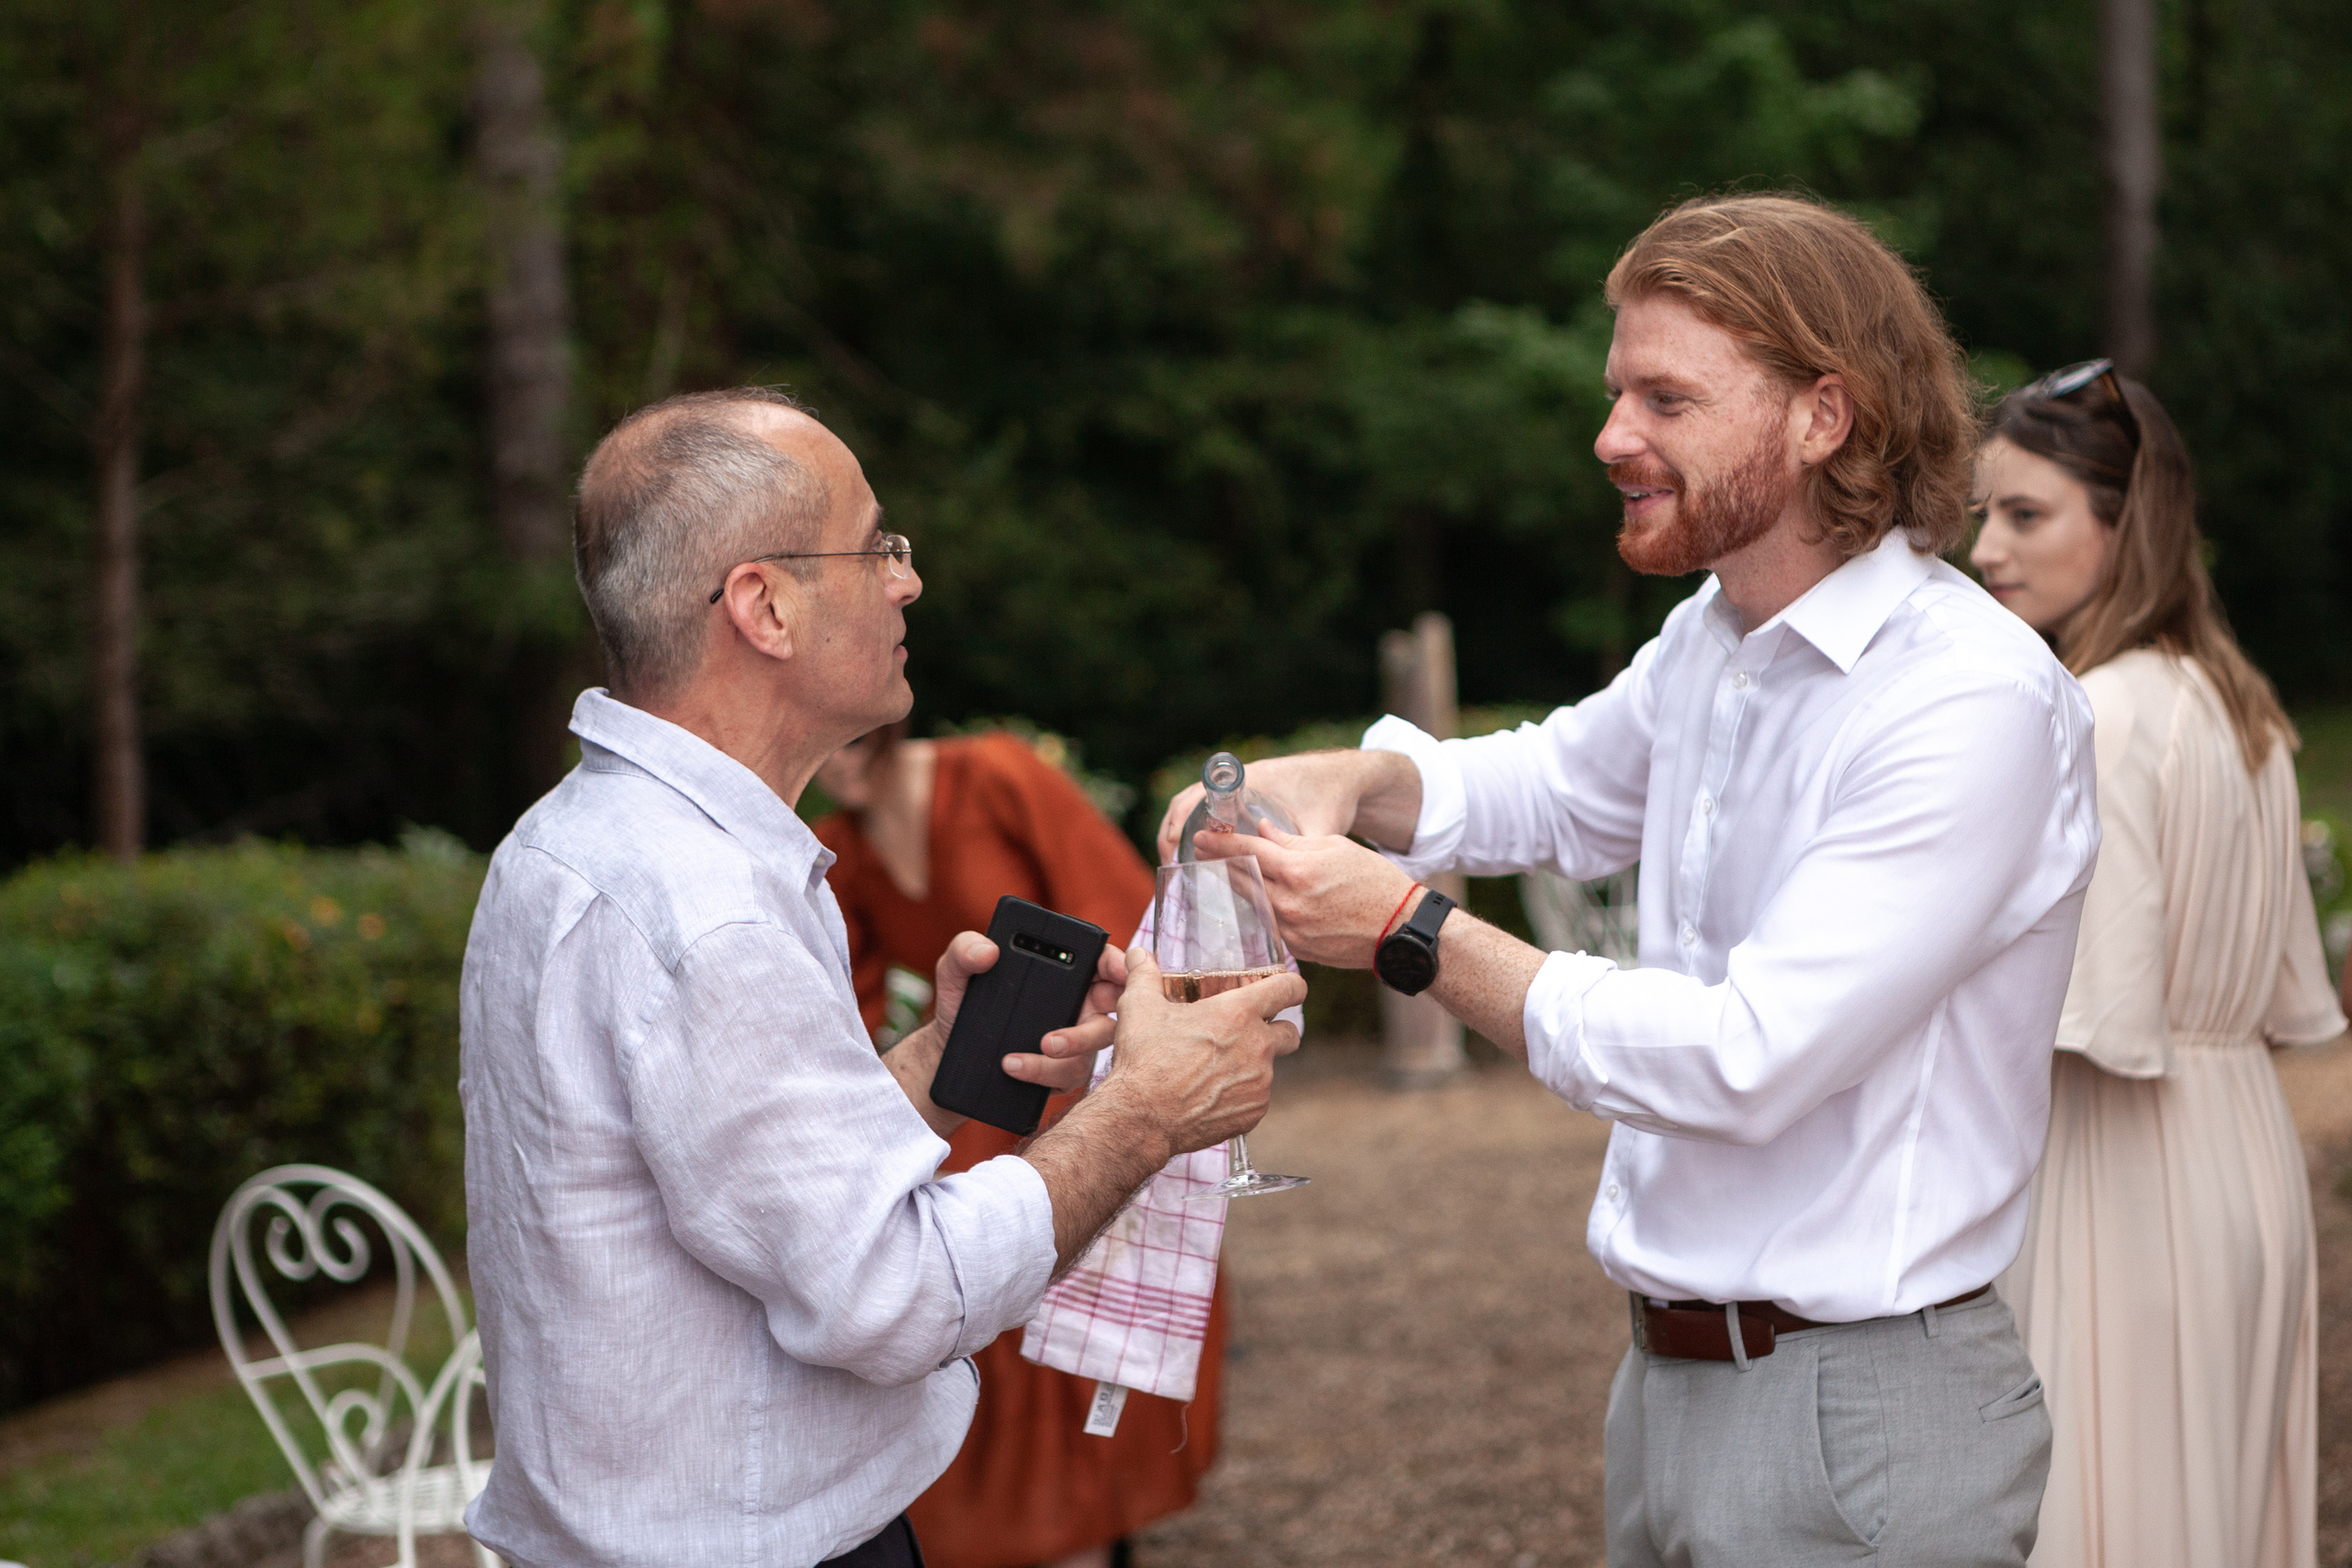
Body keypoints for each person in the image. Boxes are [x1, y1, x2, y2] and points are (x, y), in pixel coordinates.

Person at [1163, 194, 2097, 1566]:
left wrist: (1414, 934)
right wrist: (1353, 783)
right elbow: (1549, 784)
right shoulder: (1716, 637)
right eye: (1617, 394)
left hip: (1861, 1412)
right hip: (1666, 1387)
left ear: (1820, 416)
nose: (1611, 438)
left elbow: (1748, 1057)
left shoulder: (1969, 702)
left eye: (1666, 397)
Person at [458, 387, 1306, 1568]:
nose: (906, 581)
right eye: (875, 548)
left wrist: (924, 1072)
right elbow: (891, 1295)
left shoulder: (577, 844)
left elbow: (741, 1184)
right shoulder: (702, 908)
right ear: (763, 607)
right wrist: (1145, 1114)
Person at [1971, 362, 2348, 1568]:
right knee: (2216, 1506)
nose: (1986, 549)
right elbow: (2290, 991)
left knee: (2104, 1507)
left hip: (2120, 1157)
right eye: (1985, 514)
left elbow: (2093, 1017)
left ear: (2126, 525)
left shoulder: (2101, 713)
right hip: (2243, 1154)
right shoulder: (2245, 710)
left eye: (2025, 515)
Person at [812, 724, 1229, 1568]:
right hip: (971, 1096)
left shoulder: (996, 776)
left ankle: (1089, 1532)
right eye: (822, 745)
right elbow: (839, 1021)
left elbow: (1125, 920)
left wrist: (1118, 1083)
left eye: (852, 739)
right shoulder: (838, 851)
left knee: (1070, 1315)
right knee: (937, 1275)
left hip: (1080, 1080)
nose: (836, 758)